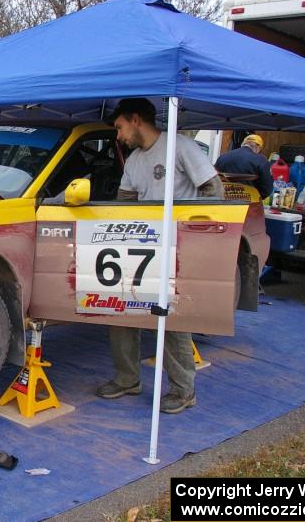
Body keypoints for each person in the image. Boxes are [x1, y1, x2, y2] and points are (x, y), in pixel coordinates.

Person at [96, 98, 224, 414]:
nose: (118, 136)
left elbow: (215, 190)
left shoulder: (180, 147)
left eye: (120, 127)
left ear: (136, 119)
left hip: (180, 248)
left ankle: (183, 390)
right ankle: (128, 379)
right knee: (121, 307)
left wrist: (192, 229)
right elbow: (124, 203)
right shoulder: (135, 161)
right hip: (143, 247)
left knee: (171, 318)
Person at [214, 134, 273, 199]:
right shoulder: (262, 161)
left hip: (223, 201)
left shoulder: (222, 157)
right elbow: (267, 189)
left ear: (243, 144)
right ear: (258, 147)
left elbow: (214, 181)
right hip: (249, 203)